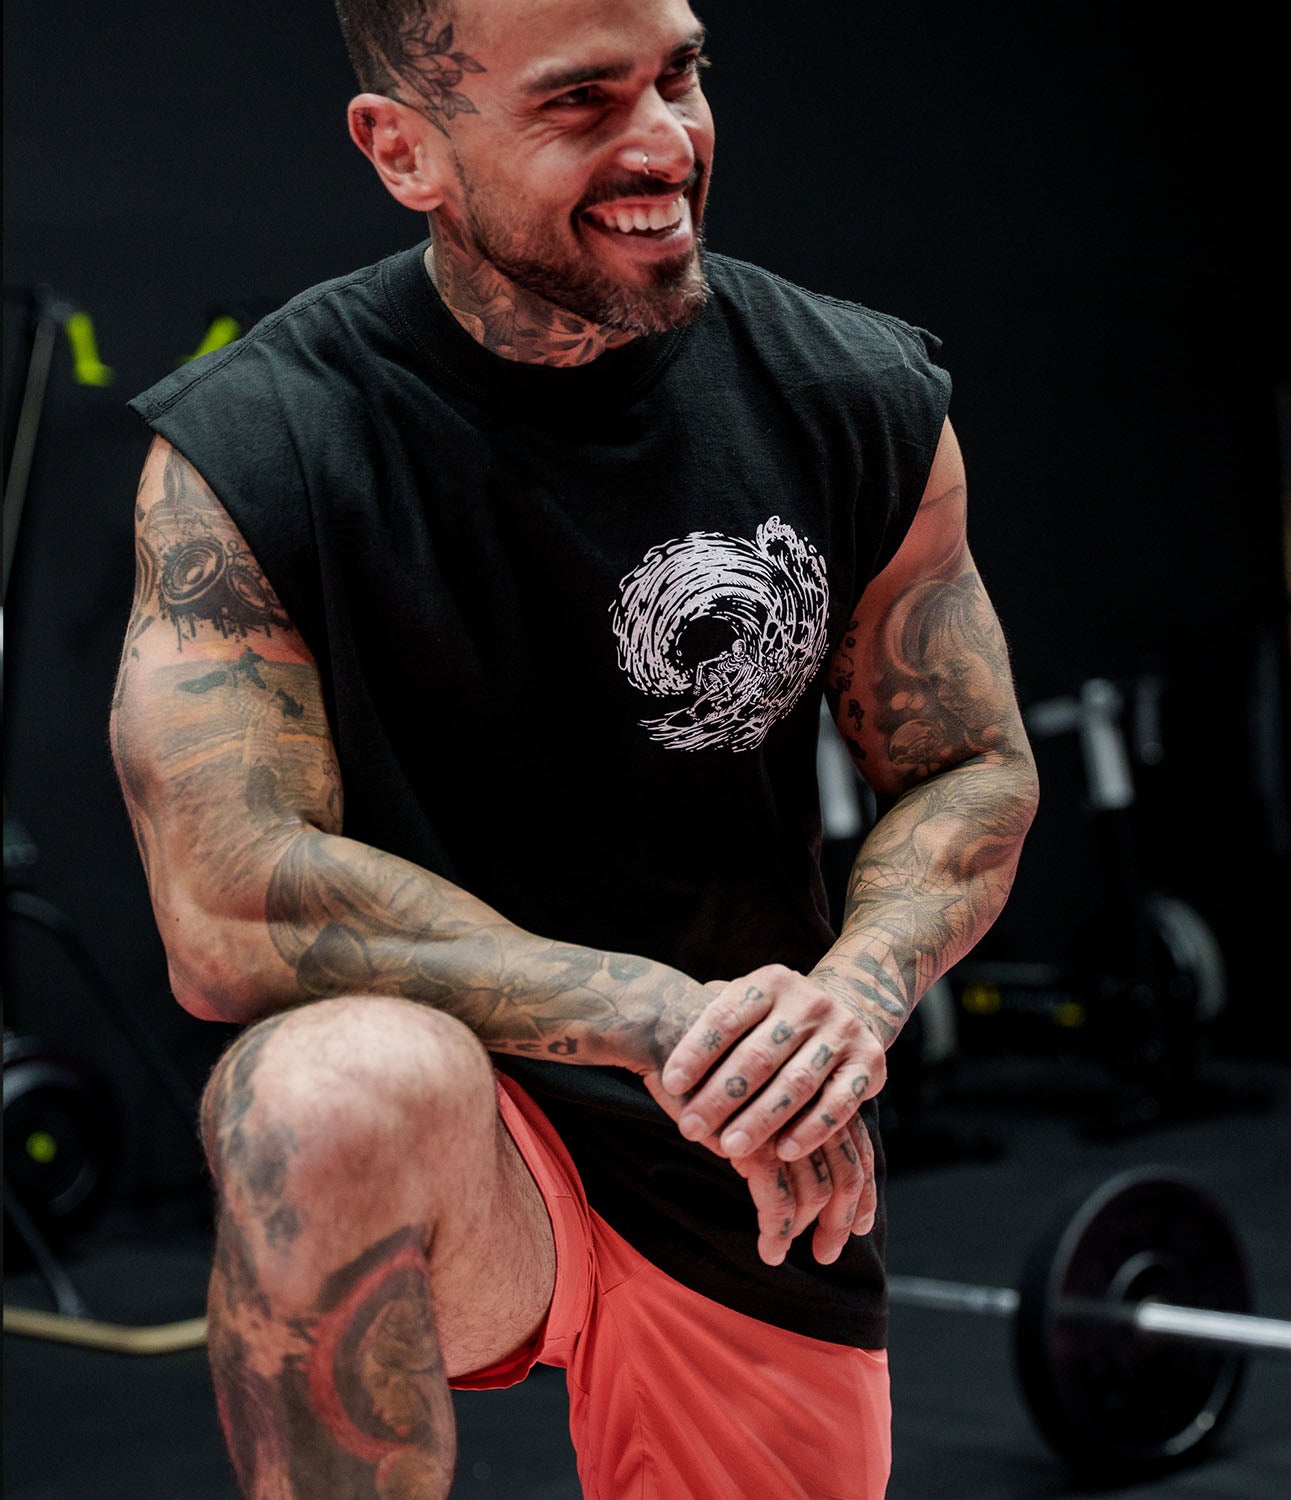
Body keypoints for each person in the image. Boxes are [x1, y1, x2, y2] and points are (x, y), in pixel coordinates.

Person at [109, 0, 1040, 1494]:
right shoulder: (261, 444)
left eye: (680, 74)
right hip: (468, 1126)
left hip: (737, 1154)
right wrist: (661, 1021)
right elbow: (230, 902)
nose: (664, 142)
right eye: (581, 103)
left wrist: (841, 1015)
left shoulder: (852, 394)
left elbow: (966, 764)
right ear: (403, 148)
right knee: (328, 1091)